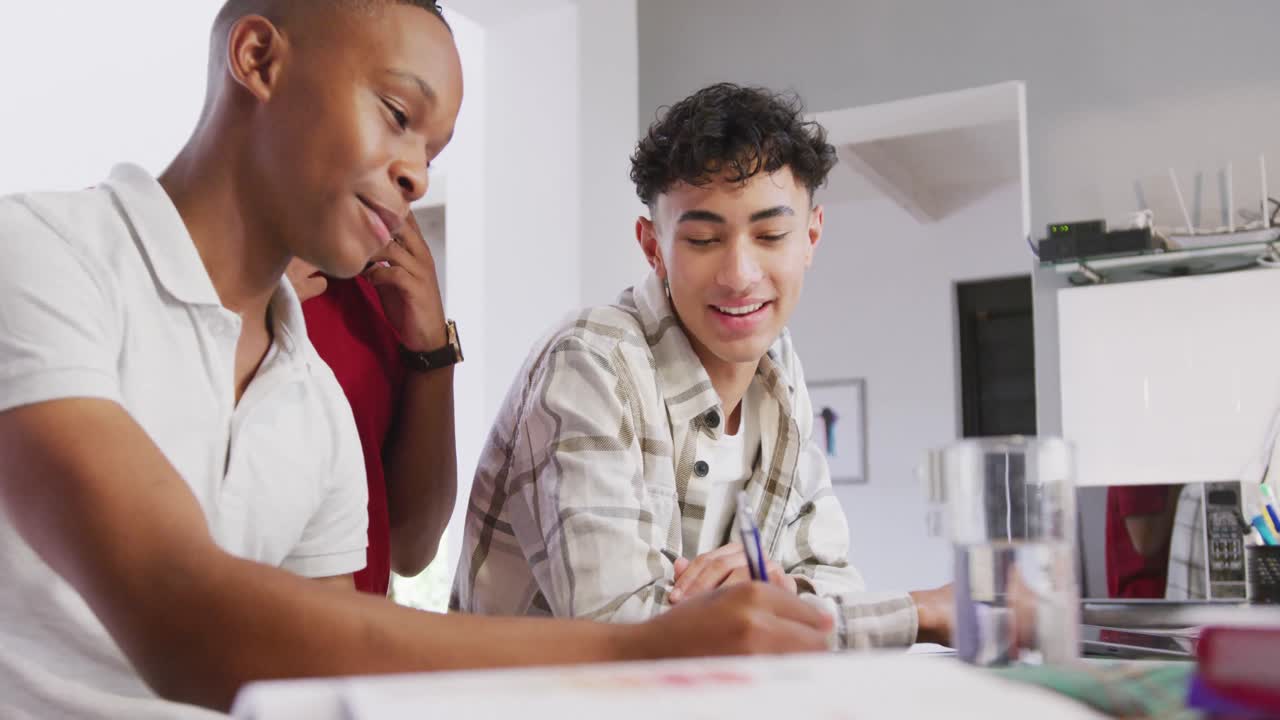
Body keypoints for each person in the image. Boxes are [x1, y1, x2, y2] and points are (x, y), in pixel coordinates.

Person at [0, 5, 832, 718]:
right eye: (398, 113)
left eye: (433, 151)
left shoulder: (316, 402)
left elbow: (327, 678)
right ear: (258, 58)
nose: (417, 176)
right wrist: (641, 652)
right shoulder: (38, 257)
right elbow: (184, 616)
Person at [453, 83, 953, 649]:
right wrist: (917, 611)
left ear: (810, 237)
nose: (739, 275)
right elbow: (623, 631)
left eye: (770, 235)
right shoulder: (591, 363)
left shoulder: (780, 374)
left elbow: (834, 576)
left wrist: (777, 589)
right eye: (703, 239)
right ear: (653, 248)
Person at [287, 207, 456, 596]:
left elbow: (409, 549)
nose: (416, 181)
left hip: (352, 629)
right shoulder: (183, 266)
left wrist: (433, 354)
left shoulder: (371, 283)